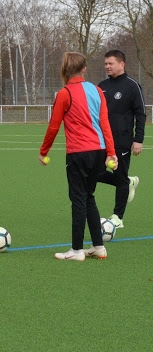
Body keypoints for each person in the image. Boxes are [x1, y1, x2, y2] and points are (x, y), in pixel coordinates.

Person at [39, 52, 116, 261]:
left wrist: (44, 151)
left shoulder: (64, 93)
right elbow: (105, 123)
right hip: (99, 151)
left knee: (78, 199)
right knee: (89, 196)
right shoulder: (97, 90)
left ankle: (76, 250)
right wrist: (111, 152)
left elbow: (53, 126)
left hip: (78, 153)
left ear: (64, 70)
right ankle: (99, 247)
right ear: (84, 69)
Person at [97, 50, 146, 229]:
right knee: (95, 173)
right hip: (101, 141)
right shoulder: (101, 86)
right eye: (105, 63)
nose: (107, 66)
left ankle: (118, 217)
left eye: (110, 63)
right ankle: (128, 181)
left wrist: (138, 139)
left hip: (122, 141)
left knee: (120, 177)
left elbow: (141, 114)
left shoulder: (132, 86)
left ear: (122, 64)